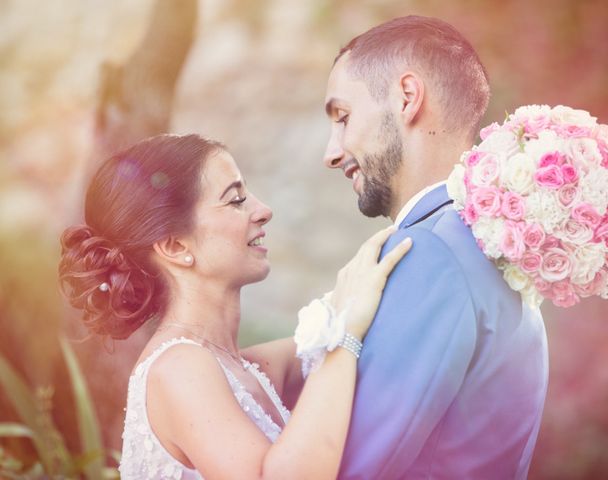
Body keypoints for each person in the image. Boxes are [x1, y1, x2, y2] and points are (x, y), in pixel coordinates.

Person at [58, 133, 412, 479]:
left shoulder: (247, 368)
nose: (263, 210)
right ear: (175, 246)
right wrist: (345, 335)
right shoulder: (178, 367)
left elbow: (347, 323)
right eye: (236, 199)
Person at [323, 15, 548, 479]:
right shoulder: (487, 243)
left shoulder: (430, 254)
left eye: (343, 118)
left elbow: (360, 468)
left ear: (407, 98)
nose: (331, 151)